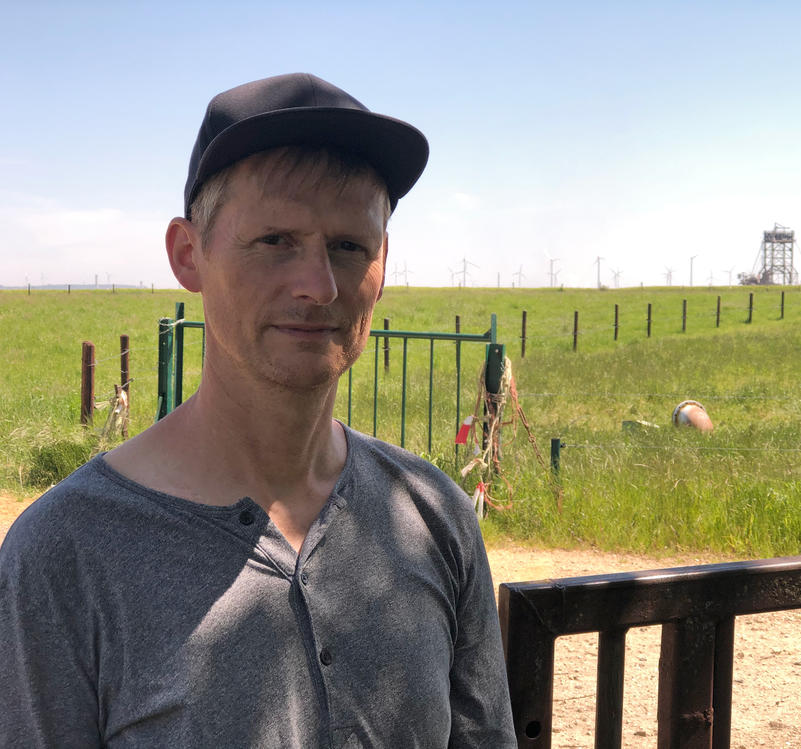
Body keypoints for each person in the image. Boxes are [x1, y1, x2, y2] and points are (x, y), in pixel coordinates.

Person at [0, 73, 517, 747]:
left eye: (348, 246)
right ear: (190, 255)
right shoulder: (64, 557)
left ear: (381, 265)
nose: (318, 285)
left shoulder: (436, 519)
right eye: (275, 241)